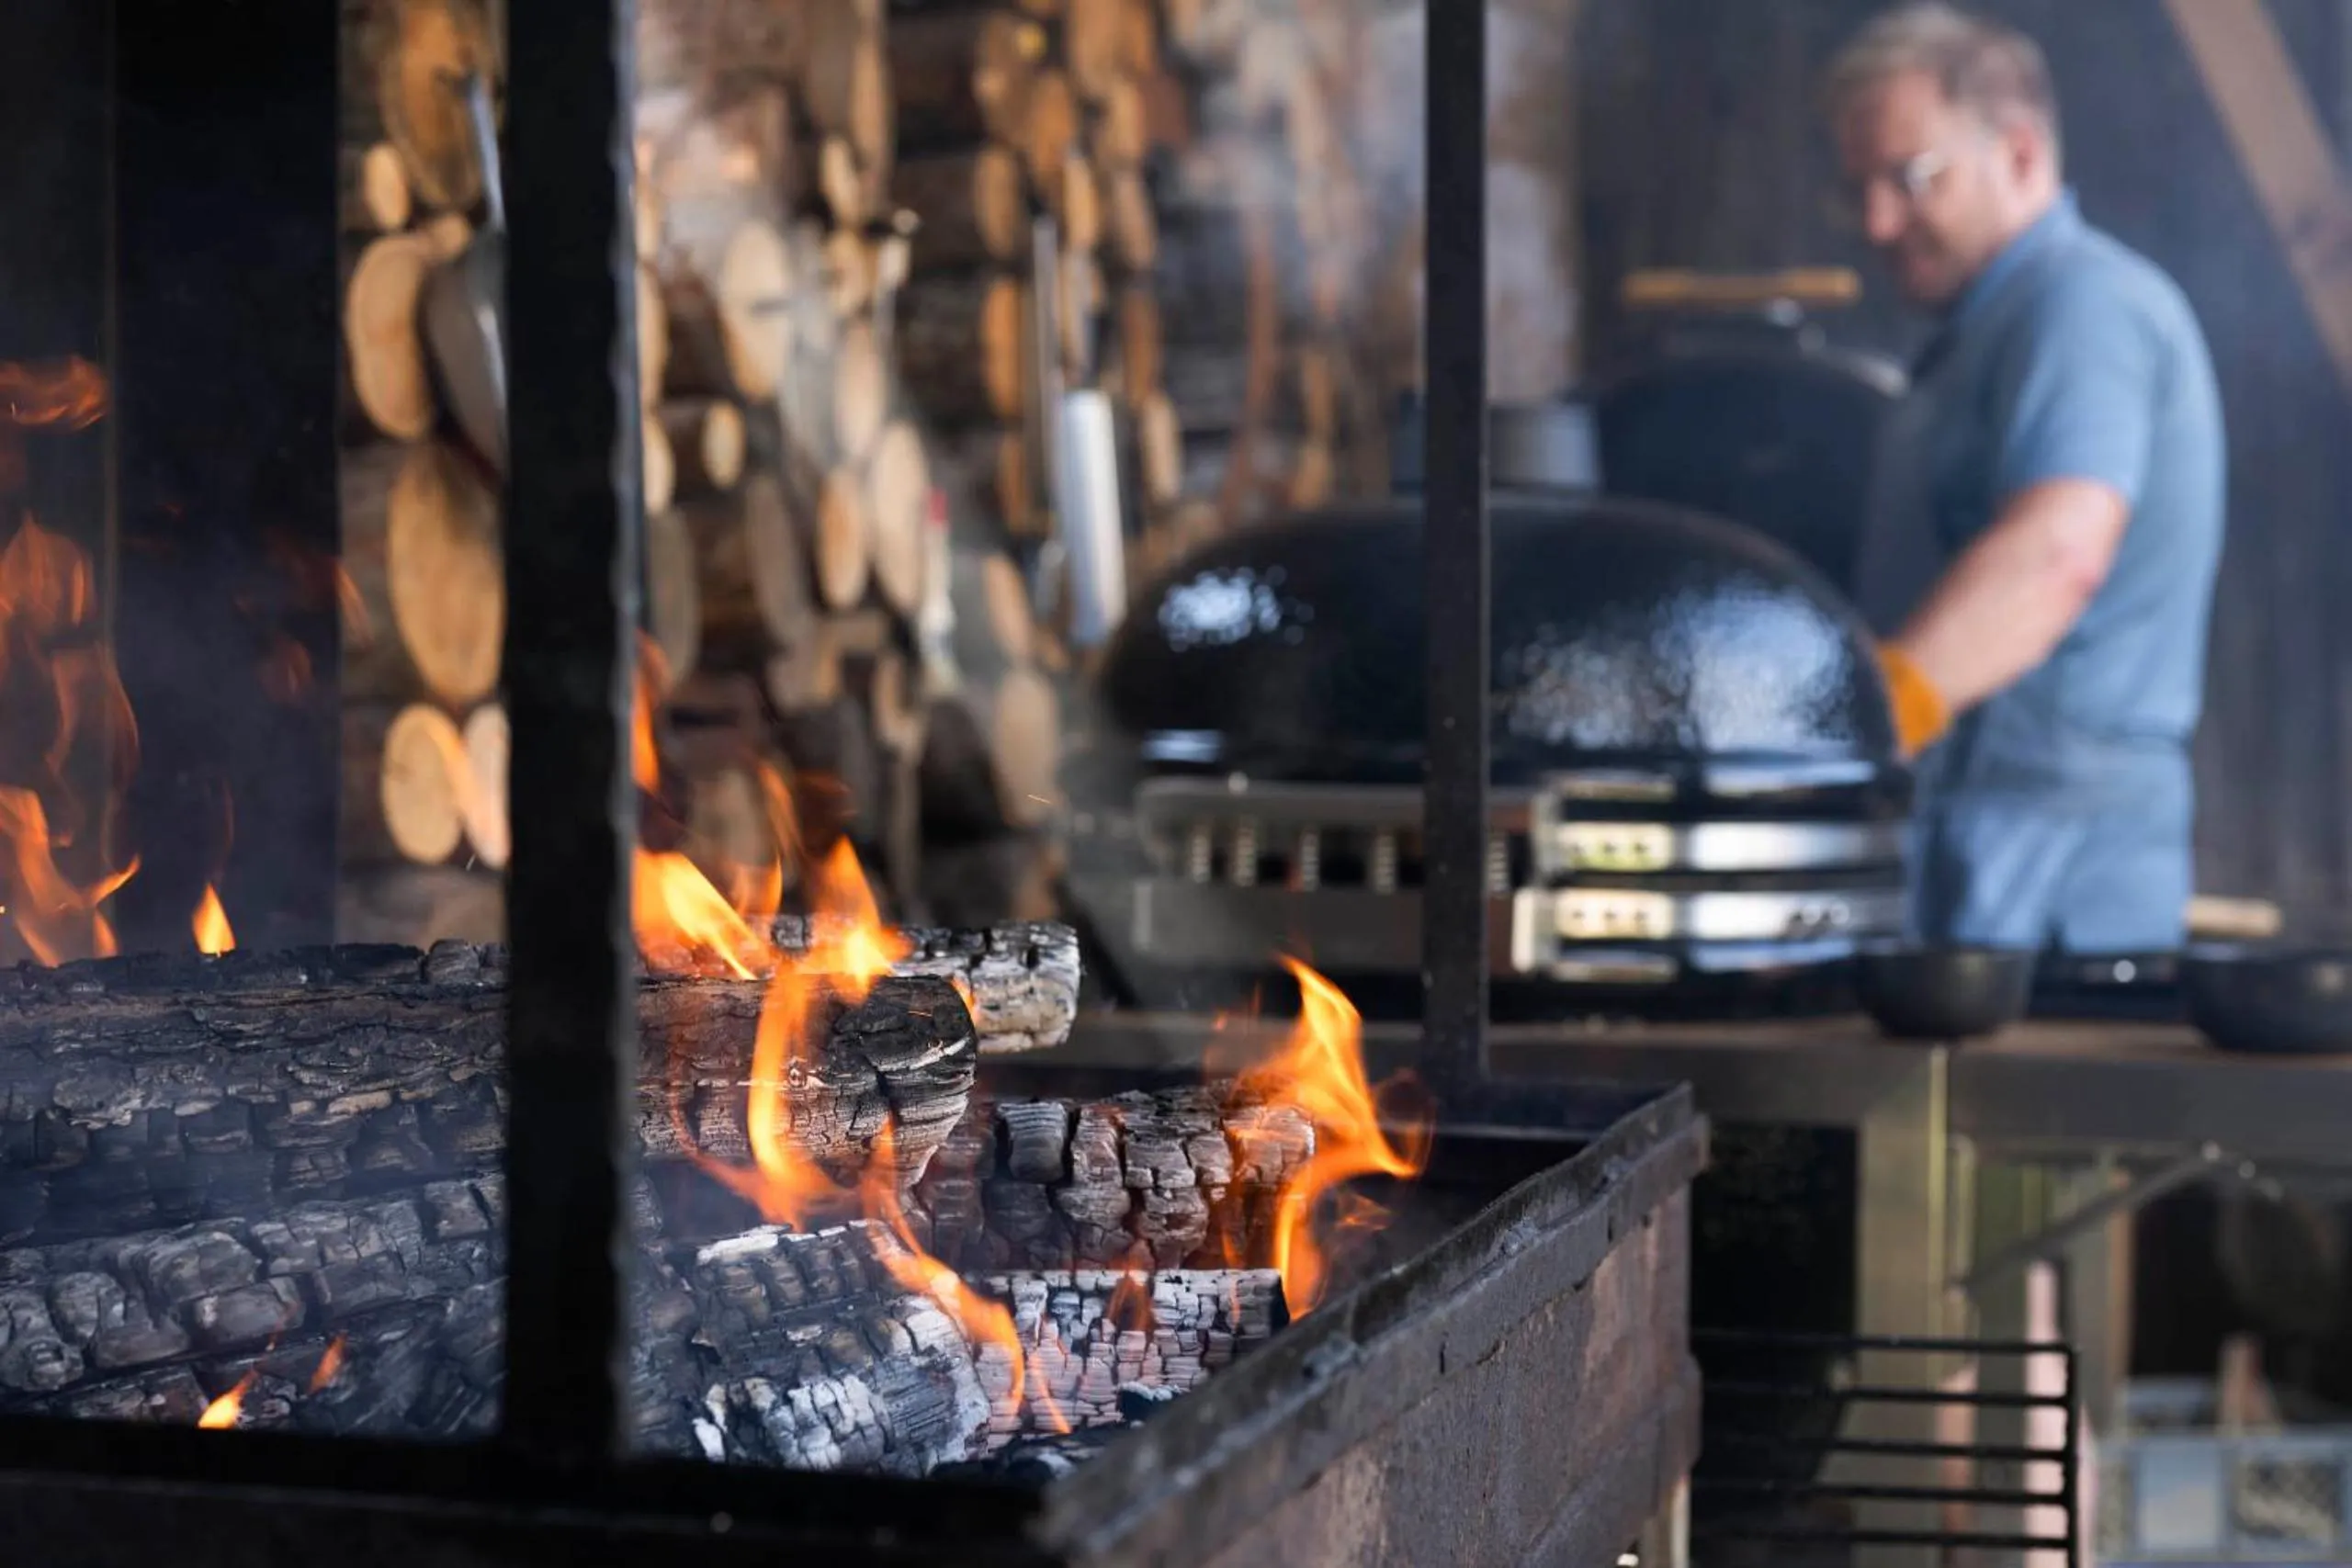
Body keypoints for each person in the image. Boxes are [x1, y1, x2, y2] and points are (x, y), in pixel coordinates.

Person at [1827, 2, 2227, 953]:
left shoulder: (2081, 306)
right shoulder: (1980, 334)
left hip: (2055, 871)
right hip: (1979, 842)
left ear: (2016, 152)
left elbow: (2056, 555)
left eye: (1909, 177)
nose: (1877, 221)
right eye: (1858, 188)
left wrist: (1860, 733)